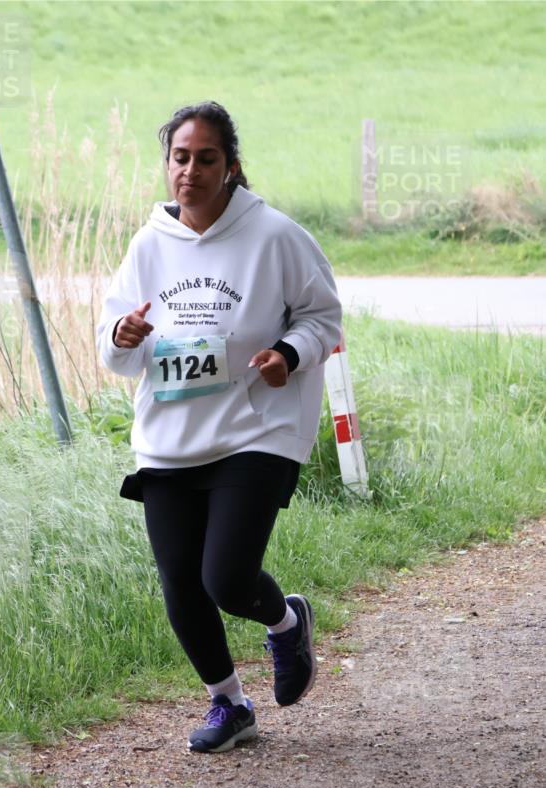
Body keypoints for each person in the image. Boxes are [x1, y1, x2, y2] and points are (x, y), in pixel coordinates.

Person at [97, 101, 342, 754]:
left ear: (230, 167)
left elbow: (323, 317)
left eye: (206, 158)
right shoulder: (148, 244)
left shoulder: (276, 237)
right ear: (167, 164)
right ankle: (228, 704)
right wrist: (122, 334)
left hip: (255, 428)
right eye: (180, 157)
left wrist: (287, 354)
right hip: (171, 435)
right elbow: (114, 346)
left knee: (225, 578)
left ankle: (286, 623)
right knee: (180, 578)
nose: (190, 170)